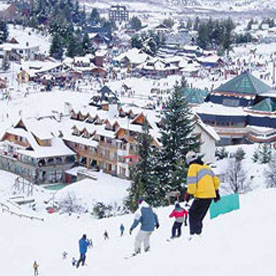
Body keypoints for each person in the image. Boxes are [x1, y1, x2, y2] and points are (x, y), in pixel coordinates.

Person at [184, 151, 220, 240]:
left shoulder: (193, 167)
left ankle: (194, 235)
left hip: (201, 196)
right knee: (199, 216)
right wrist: (216, 193)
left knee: (193, 214)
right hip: (209, 196)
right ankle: (198, 235)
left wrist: (189, 193)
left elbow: (192, 182)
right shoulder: (206, 167)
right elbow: (216, 182)